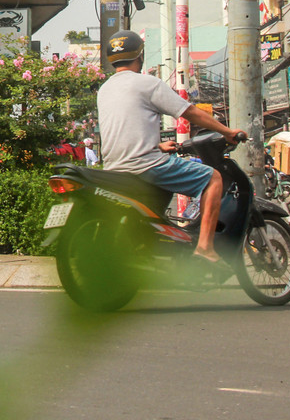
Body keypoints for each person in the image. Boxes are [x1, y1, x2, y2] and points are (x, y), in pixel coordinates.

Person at [96, 30, 244, 267]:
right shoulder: (147, 83)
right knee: (213, 178)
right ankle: (205, 249)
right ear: (140, 56)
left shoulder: (105, 89)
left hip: (115, 168)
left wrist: (157, 145)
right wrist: (227, 131)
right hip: (145, 165)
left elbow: (126, 127)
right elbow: (190, 112)